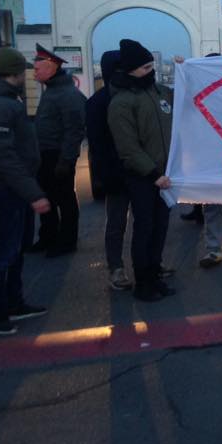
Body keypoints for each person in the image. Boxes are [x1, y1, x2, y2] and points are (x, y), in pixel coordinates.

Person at [107, 39, 177, 301]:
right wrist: (153, 175)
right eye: (146, 67)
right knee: (145, 227)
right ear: (131, 70)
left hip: (165, 175)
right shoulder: (122, 103)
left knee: (160, 226)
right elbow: (128, 147)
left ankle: (155, 273)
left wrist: (185, 70)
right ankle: (143, 281)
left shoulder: (159, 92)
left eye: (152, 65)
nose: (152, 71)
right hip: (143, 177)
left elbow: (186, 96)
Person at [0, 47, 50, 335]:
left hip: (10, 188)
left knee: (13, 250)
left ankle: (13, 303)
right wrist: (34, 193)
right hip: (5, 191)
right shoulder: (3, 105)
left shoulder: (5, 100)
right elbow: (4, 157)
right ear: (14, 73)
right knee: (5, 252)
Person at [28, 43, 86, 257]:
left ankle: (67, 241)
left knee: (64, 199)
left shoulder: (66, 94)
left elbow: (74, 130)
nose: (34, 72)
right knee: (48, 198)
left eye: (37, 68)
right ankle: (48, 237)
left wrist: (66, 160)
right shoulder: (53, 90)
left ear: (51, 67)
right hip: (45, 155)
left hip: (58, 156)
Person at [85, 50, 133, 290]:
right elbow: (97, 144)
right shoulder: (98, 102)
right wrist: (105, 176)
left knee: (145, 222)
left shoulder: (134, 94)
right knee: (116, 223)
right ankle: (116, 268)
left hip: (139, 172)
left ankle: (148, 263)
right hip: (117, 173)